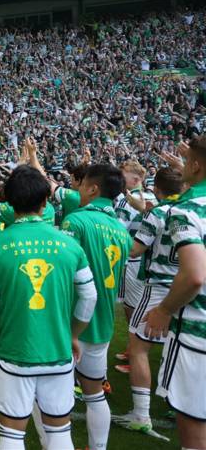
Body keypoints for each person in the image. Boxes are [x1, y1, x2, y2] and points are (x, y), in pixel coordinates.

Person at [0, 165, 97, 450]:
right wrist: (74, 335)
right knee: (59, 432)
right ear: (45, 202)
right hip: (58, 352)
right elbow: (89, 297)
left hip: (14, 354)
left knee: (12, 435)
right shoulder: (69, 245)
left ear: (9, 203)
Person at [60, 164, 132, 450]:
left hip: (70, 322)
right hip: (102, 323)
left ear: (93, 188)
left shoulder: (75, 222)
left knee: (58, 393)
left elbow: (62, 270)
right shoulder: (122, 231)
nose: (77, 189)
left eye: (81, 185)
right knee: (94, 393)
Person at [144, 137, 206, 450]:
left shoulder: (188, 210)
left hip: (198, 334)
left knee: (195, 427)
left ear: (194, 165)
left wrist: (164, 309)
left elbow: (195, 276)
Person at [112, 167, 183, 437]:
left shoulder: (158, 212)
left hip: (158, 287)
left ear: (157, 189)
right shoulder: (194, 209)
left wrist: (112, 238)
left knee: (139, 348)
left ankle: (141, 414)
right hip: (186, 288)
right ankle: (179, 406)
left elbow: (135, 249)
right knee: (178, 348)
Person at [112, 161, 157, 371]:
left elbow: (117, 230)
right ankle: (132, 350)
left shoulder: (130, 200)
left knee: (134, 307)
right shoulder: (151, 197)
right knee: (134, 306)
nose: (121, 180)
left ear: (136, 179)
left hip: (132, 261)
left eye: (125, 176)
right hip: (143, 260)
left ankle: (135, 355)